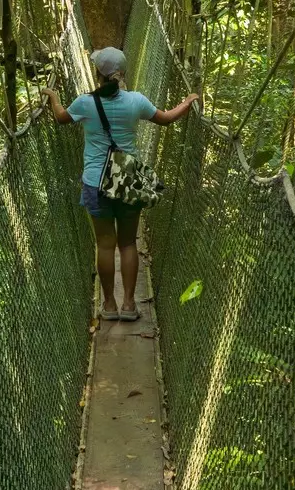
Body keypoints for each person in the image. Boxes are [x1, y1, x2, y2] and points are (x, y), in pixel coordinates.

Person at [43, 47, 198, 321]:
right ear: (122, 74)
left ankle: (109, 306)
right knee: (127, 244)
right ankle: (129, 305)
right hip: (127, 180)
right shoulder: (136, 101)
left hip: (95, 182)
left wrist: (54, 97)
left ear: (97, 74)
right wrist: (187, 102)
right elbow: (165, 119)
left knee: (104, 245)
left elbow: (61, 117)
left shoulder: (84, 103)